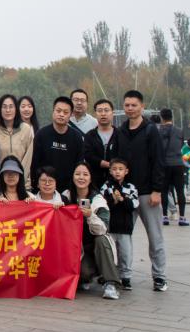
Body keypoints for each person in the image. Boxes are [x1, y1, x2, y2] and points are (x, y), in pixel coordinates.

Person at [112, 90, 167, 292]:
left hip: (147, 192)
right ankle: (124, 275)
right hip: (126, 193)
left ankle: (159, 276)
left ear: (142, 107)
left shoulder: (151, 131)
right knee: (123, 236)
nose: (130, 108)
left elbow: (159, 161)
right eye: (127, 105)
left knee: (155, 236)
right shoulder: (120, 131)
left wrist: (157, 190)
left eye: (134, 105)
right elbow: (116, 162)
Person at [62, 162, 120, 299]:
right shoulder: (66, 196)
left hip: (95, 246)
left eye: (85, 174)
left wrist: (90, 215)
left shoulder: (98, 200)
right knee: (84, 273)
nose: (81, 177)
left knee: (102, 239)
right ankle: (84, 278)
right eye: (77, 174)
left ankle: (110, 283)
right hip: (76, 249)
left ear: (90, 178)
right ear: (72, 176)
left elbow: (103, 229)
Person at [99, 157, 138, 290]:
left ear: (126, 171)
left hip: (125, 228)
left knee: (125, 253)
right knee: (110, 253)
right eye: (114, 169)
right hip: (110, 227)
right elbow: (102, 203)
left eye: (120, 169)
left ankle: (126, 277)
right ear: (110, 171)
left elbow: (133, 205)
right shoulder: (106, 186)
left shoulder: (131, 187)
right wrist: (113, 200)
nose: (117, 172)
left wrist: (122, 199)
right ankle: (110, 276)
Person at [32, 96, 85, 192]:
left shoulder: (76, 137)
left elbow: (79, 164)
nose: (61, 115)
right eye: (58, 111)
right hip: (45, 187)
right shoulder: (41, 134)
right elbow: (35, 164)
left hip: (68, 190)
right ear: (53, 112)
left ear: (70, 115)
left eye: (65, 112)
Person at [0, 95, 34, 180]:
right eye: (4, 107)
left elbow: (29, 158)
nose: (8, 110)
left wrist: (21, 179)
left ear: (16, 109)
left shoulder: (26, 129)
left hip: (22, 180)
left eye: (11, 107)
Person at [158, 108, 187, 225]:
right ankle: (182, 218)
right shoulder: (179, 131)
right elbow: (180, 145)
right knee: (180, 191)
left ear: (162, 118)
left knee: (164, 191)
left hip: (164, 165)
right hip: (178, 163)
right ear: (172, 117)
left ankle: (165, 216)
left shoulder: (158, 131)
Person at [83, 99, 118, 186]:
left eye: (106, 110)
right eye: (99, 111)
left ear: (112, 113)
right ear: (95, 114)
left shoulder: (120, 135)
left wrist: (114, 165)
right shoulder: (90, 136)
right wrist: (105, 164)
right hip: (94, 181)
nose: (103, 114)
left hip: (116, 180)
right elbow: (87, 155)